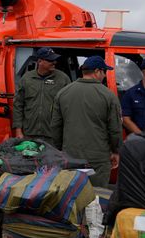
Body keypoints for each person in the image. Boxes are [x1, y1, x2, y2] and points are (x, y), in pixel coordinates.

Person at [50, 56, 122, 187]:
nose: (105, 76)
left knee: (71, 194)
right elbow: (115, 129)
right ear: (97, 71)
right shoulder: (108, 96)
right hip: (98, 158)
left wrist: (60, 151)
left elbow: (55, 127)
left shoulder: (63, 93)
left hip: (70, 156)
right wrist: (115, 151)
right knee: (96, 195)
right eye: (104, 72)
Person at [13, 47, 71, 143]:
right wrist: (18, 131)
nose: (54, 62)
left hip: (53, 135)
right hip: (29, 133)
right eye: (50, 60)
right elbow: (18, 105)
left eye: (54, 60)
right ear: (40, 61)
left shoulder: (63, 79)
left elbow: (69, 107)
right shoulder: (27, 78)